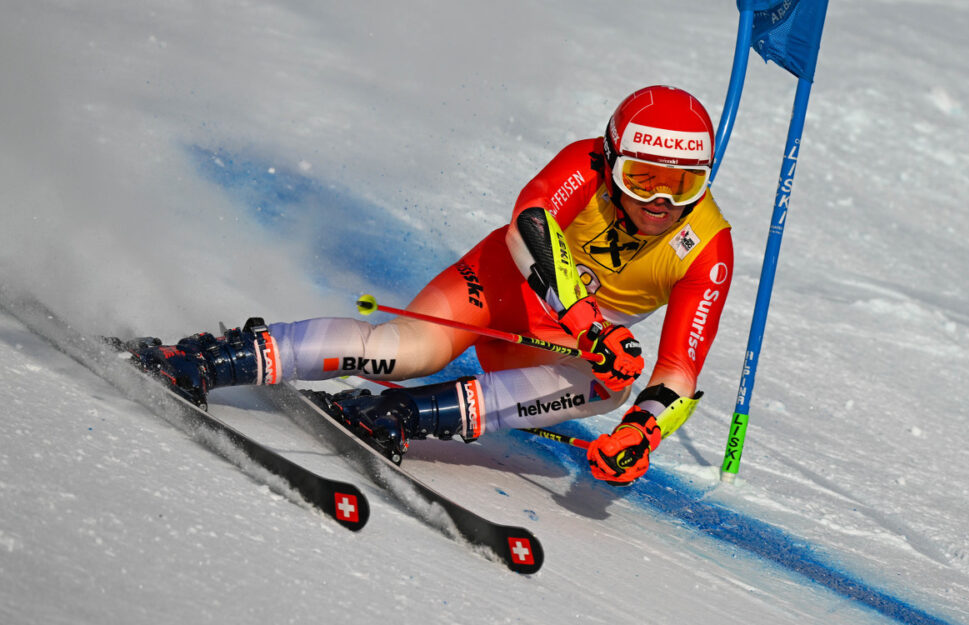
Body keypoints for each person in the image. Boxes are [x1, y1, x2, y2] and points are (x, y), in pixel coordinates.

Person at [125, 85, 733, 485]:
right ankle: (211, 356)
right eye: (643, 176)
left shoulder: (707, 246)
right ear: (610, 159)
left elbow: (679, 373)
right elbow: (529, 224)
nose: (659, 200)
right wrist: (587, 322)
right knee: (403, 353)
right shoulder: (586, 163)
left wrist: (641, 434)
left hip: (550, 338)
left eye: (682, 185)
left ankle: (396, 417)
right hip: (501, 284)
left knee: (611, 387)